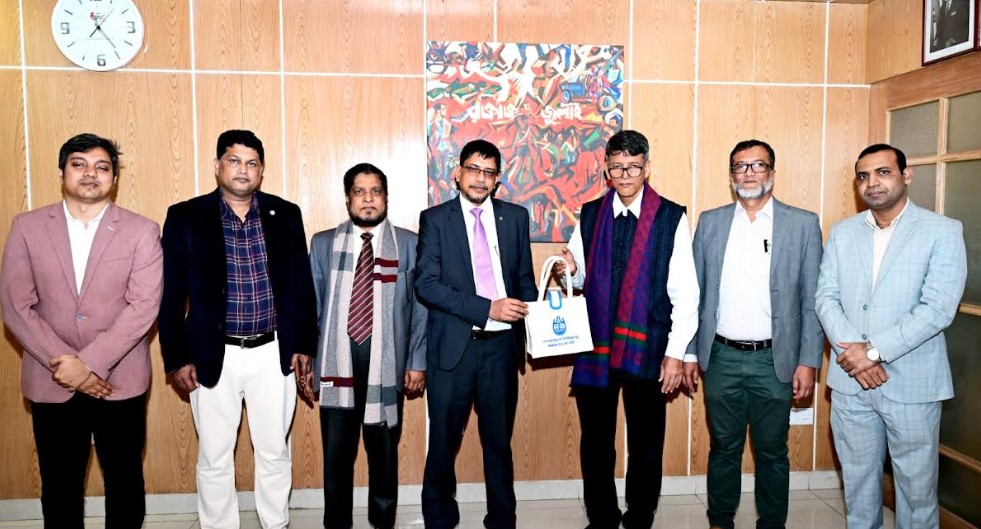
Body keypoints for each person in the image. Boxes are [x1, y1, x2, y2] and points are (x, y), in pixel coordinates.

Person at [0, 133, 163, 529]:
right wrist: (66, 366)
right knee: (59, 486)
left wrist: (87, 365)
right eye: (79, 164)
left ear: (114, 178)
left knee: (124, 482)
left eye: (102, 167)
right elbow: (16, 306)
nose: (91, 173)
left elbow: (143, 306)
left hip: (119, 380)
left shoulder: (142, 230)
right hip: (51, 377)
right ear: (62, 172)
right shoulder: (27, 227)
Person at [158, 129, 318, 529]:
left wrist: (303, 345)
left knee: (274, 452)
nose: (243, 170)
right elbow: (170, 295)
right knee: (214, 456)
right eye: (234, 161)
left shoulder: (286, 214)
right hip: (212, 355)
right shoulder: (186, 216)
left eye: (251, 163)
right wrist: (177, 357)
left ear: (261, 171)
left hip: (273, 353)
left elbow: (301, 286)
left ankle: (275, 523)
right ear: (217, 166)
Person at [554, 129, 699, 529]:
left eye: (633, 167)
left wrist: (675, 354)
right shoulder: (590, 214)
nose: (625, 175)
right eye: (617, 167)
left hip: (647, 347)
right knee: (596, 441)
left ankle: (640, 516)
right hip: (596, 347)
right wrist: (571, 270)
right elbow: (579, 279)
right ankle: (601, 516)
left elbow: (686, 293)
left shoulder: (671, 217)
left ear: (646, 168)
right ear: (606, 169)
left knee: (646, 443)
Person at [816, 144, 966, 529]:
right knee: (858, 487)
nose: (873, 183)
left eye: (883, 172)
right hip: (851, 383)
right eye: (863, 176)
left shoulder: (942, 230)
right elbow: (826, 298)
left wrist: (874, 352)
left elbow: (937, 309)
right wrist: (856, 356)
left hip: (913, 383)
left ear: (906, 175)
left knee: (917, 493)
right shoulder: (843, 232)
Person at [685, 140, 824, 529]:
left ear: (772, 173)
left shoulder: (802, 224)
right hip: (721, 357)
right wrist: (691, 352)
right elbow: (695, 293)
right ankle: (720, 520)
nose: (748, 173)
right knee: (723, 448)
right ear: (731, 175)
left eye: (758, 165)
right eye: (740, 166)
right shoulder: (710, 222)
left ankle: (772, 523)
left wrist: (808, 361)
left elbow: (812, 300)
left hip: (775, 360)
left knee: (773, 451)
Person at [415, 139, 538, 529]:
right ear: (457, 172)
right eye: (473, 169)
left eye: (488, 172)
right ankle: (439, 517)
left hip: (501, 348)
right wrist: (487, 309)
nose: (480, 179)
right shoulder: (436, 219)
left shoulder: (515, 218)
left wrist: (541, 320)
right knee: (443, 443)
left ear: (498, 179)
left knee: (499, 443)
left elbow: (524, 280)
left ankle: (502, 518)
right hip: (453, 350)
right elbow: (426, 285)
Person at [307, 163, 427, 529]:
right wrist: (311, 361)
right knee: (336, 457)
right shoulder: (323, 243)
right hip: (337, 364)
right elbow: (313, 307)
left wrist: (416, 360)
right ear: (348, 199)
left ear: (386, 197)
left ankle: (383, 521)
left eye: (375, 191)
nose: (368, 199)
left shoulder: (409, 244)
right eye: (359, 192)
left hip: (387, 364)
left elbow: (420, 309)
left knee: (384, 456)